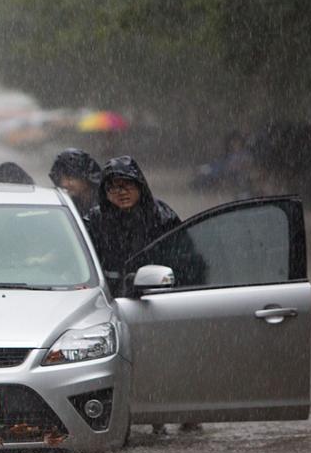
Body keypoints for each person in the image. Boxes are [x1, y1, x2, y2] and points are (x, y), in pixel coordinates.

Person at [87, 155, 201, 434]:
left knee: (169, 358)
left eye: (128, 185)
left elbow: (187, 260)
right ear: (105, 191)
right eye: (114, 187)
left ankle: (184, 412)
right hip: (113, 302)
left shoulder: (163, 217)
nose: (122, 192)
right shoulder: (94, 220)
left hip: (159, 298)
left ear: (140, 186)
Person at [48, 148, 102, 218]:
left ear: (86, 179)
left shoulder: (105, 204)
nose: (63, 184)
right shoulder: (63, 205)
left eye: (70, 178)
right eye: (60, 179)